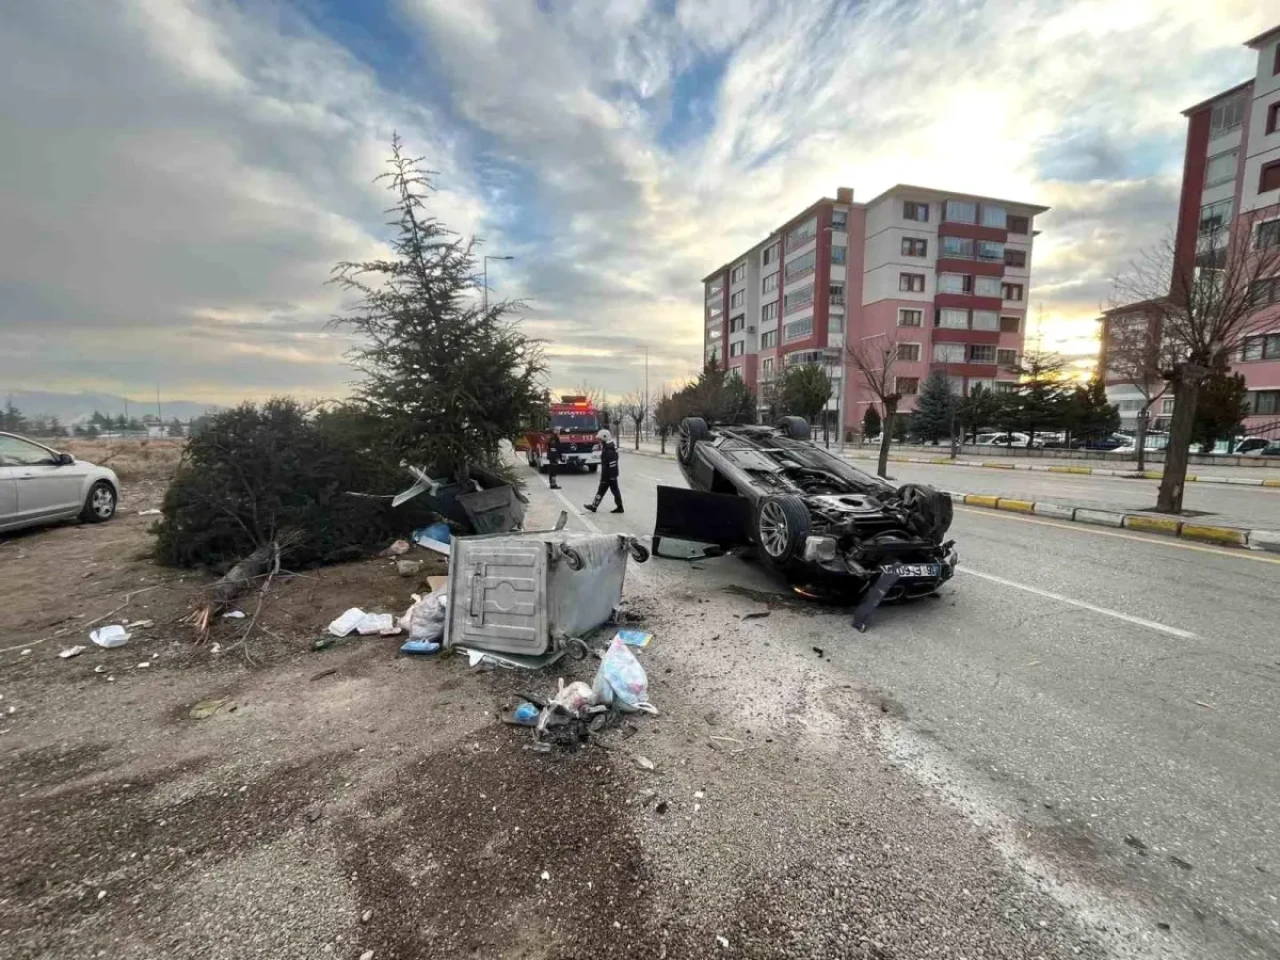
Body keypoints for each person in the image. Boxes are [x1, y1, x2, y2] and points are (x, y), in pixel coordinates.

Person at [584, 429, 622, 513]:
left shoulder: (609, 450)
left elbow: (612, 464)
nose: (599, 441)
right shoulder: (608, 447)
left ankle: (594, 506)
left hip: (608, 475)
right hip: (609, 474)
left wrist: (612, 476)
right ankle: (620, 507)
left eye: (600, 439)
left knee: (603, 490)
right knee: (613, 490)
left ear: (605, 438)